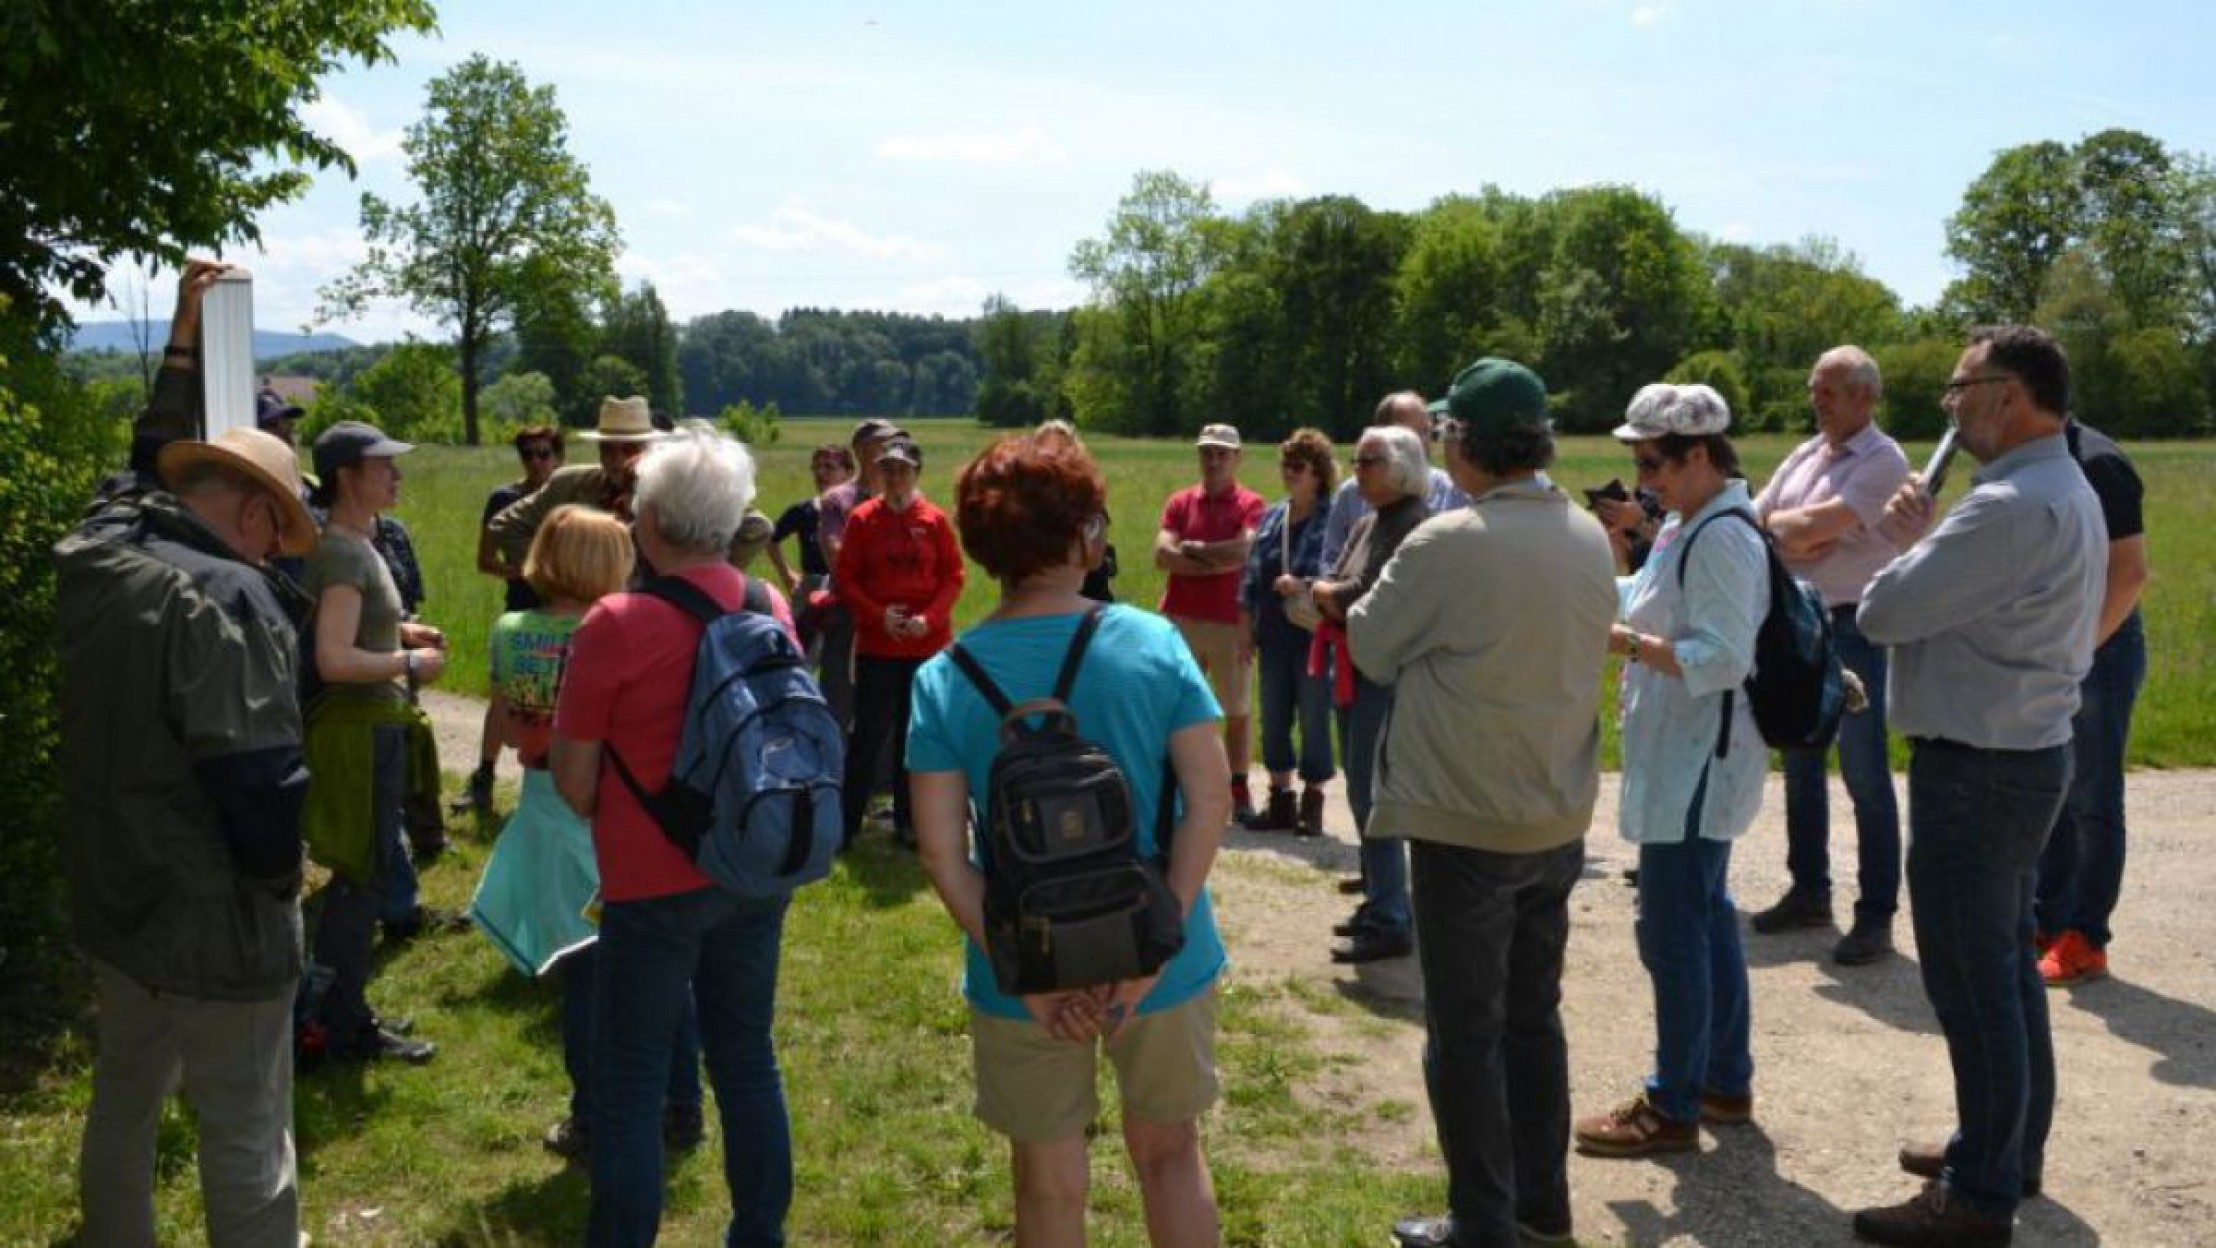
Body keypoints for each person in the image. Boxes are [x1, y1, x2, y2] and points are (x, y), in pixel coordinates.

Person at [908, 434, 1231, 1248]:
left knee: (1047, 1185)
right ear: (1086, 535)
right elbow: (1209, 799)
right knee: (1170, 1154)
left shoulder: (945, 677)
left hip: (1021, 956)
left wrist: (1026, 973)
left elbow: (943, 854)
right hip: (1165, 946)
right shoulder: (1151, 643)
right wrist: (1154, 949)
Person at [57, 258, 319, 1247]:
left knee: (122, 1101)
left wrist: (180, 341)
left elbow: (140, 465)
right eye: (275, 532)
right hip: (215, 921)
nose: (272, 555)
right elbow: (255, 775)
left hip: (115, 894)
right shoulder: (229, 596)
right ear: (253, 512)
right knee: (248, 1134)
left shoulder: (104, 551)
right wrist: (281, 881)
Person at [1349, 359, 1616, 1248]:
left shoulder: (1448, 541)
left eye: (1448, 434)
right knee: (1533, 1020)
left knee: (1464, 1033)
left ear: (1467, 441)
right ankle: (1542, 1210)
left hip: (1467, 821)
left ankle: (1482, 1222)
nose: (1441, 447)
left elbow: (1372, 648)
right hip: (1557, 815)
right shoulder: (1585, 533)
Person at [1851, 326, 2106, 1248]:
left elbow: (1880, 614)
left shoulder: (2003, 508)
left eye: (1962, 389)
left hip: (1981, 767)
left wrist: (1908, 539)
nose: (1950, 406)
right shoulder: (2052, 485)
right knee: (2001, 964)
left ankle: (1978, 1195)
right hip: (2017, 756)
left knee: (1972, 983)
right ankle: (2004, 1147)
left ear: (2008, 394)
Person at [550, 424, 802, 1244]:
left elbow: (576, 783)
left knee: (629, 1078)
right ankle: (759, 1234)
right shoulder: (772, 606)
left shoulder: (614, 623)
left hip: (649, 882)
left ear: (650, 521)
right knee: (746, 1059)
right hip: (753, 869)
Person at [463, 505, 705, 1163]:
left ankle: (592, 1118)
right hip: (621, 813)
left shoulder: (512, 630)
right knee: (667, 965)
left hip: (547, 806)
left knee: (581, 976)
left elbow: (512, 730)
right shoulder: (626, 629)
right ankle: (682, 1106)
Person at [1573, 382, 1766, 1158]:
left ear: (1699, 455)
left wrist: (1617, 642)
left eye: (1652, 460)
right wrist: (1586, 589)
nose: (1641, 476)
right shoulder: (1695, 523)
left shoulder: (1721, 536)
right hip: (1687, 758)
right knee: (1707, 919)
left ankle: (1671, 1104)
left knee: (1673, 932)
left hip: (1698, 762)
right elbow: (1653, 600)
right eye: (1636, 459)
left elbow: (1722, 658)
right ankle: (1722, 1080)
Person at [1747, 346, 1912, 966]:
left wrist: (1801, 531)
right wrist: (1798, 531)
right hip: (1801, 622)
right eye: (1815, 388)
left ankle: (1876, 917)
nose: (1816, 400)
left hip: (1855, 626)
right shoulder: (1807, 452)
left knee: (1866, 772)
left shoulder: (1883, 460)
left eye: (1831, 391)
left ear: (1867, 397)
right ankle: (1810, 892)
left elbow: (1810, 527)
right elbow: (1761, 516)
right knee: (1800, 760)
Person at [299, 420, 449, 1065]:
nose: (396, 473)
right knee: (361, 879)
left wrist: (401, 633)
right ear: (347, 477)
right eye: (382, 464)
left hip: (372, 730)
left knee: (369, 873)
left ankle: (340, 1012)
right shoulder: (341, 552)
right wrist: (407, 666)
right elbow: (332, 658)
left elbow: (354, 632)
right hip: (359, 735)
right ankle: (339, 1026)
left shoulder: (360, 544)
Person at [2033, 415, 2150, 987]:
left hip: (2101, 645)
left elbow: (2129, 575)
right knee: (2053, 791)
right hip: (2059, 645)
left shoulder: (2098, 462)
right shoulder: (2037, 457)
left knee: (2094, 799)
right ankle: (2047, 919)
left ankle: (2086, 936)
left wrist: (2077, 651)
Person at [1312, 425, 1432, 964]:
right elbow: (1339, 579)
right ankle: (1381, 898)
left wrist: (1321, 593)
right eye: (1357, 461)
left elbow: (1358, 595)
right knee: (1360, 788)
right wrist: (1328, 593)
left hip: (1384, 679)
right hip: (1354, 670)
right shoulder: (1369, 521)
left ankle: (1390, 916)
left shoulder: (1412, 526)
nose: (1357, 471)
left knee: (1374, 794)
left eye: (1369, 462)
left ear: (1401, 468)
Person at [834, 435, 965, 848]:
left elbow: (953, 576)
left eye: (903, 470)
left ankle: (910, 824)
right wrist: (877, 614)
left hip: (925, 644)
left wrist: (930, 618)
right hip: (879, 643)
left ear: (916, 474)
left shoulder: (935, 521)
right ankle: (847, 824)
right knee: (868, 735)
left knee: (918, 733)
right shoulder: (862, 520)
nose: (894, 478)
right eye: (887, 470)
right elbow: (847, 579)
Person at [487, 396, 773, 577]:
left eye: (630, 449)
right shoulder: (570, 483)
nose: (617, 460)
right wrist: (562, 574)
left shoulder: (676, 486)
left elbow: (757, 528)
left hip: (661, 615)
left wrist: (691, 578)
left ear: (653, 447)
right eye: (608, 450)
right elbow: (504, 525)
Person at [1155, 423, 1266, 822]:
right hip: (1181, 617)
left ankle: (1238, 790)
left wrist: (1197, 550)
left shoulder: (1251, 503)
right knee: (1177, 706)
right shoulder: (1180, 502)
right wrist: (1218, 562)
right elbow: (1163, 554)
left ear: (1237, 458)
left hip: (1228, 619)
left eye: (1222, 453)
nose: (1214, 460)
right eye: (1207, 452)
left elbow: (1247, 548)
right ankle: (1180, 785)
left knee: (1235, 710)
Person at [458, 423, 570, 814]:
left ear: (559, 457)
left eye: (544, 453)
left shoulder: (569, 500)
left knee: (559, 700)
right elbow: (484, 561)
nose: (536, 461)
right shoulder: (503, 498)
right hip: (522, 609)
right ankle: (483, 778)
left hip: (565, 611)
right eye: (528, 454)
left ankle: (549, 784)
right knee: (505, 695)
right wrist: (520, 572)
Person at [1238, 427, 1338, 836]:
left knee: (1314, 717)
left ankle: (1312, 803)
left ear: (1319, 473)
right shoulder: (1272, 515)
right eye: (1286, 465)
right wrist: (1245, 629)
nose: (1289, 473)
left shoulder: (1333, 517)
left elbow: (1341, 571)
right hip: (1274, 634)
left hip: (1314, 635)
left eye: (1298, 466)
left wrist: (1304, 584)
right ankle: (1280, 800)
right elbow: (1250, 576)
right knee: (1273, 717)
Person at [1319, 389, 1471, 573]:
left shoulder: (1452, 491)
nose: (1423, 443)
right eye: (1411, 434)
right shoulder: (1351, 493)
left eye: (1427, 432)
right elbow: (1330, 558)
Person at [816, 417, 904, 730]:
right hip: (850, 616)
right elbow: (839, 560)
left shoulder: (905, 501)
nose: (895, 450)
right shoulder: (837, 501)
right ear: (863, 451)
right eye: (886, 443)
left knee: (892, 708)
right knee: (842, 705)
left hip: (897, 619)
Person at [1036, 419, 1119, 601]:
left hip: (1090, 598)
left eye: (1061, 451)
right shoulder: (1027, 499)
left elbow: (1095, 558)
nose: (1054, 459)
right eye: (1045, 453)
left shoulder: (1088, 496)